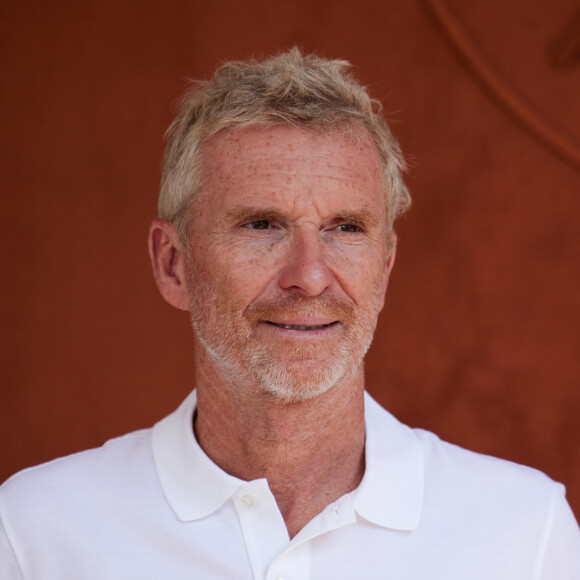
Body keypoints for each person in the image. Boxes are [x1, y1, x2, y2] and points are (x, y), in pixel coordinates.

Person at [1, 48, 579, 579]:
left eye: (346, 229)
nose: (309, 274)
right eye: (261, 224)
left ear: (385, 266)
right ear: (173, 264)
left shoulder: (525, 533)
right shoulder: (34, 533)